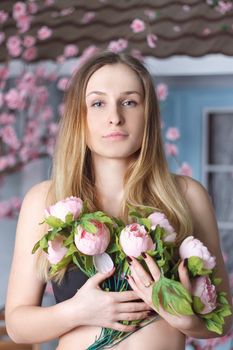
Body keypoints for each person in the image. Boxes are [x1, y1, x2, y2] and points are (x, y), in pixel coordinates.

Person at [5, 51, 232, 350]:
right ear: (79, 117)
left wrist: (185, 320)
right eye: (98, 103)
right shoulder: (46, 199)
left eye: (129, 102)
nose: (115, 117)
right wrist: (78, 311)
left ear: (147, 113)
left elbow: (223, 320)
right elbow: (18, 325)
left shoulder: (187, 196)